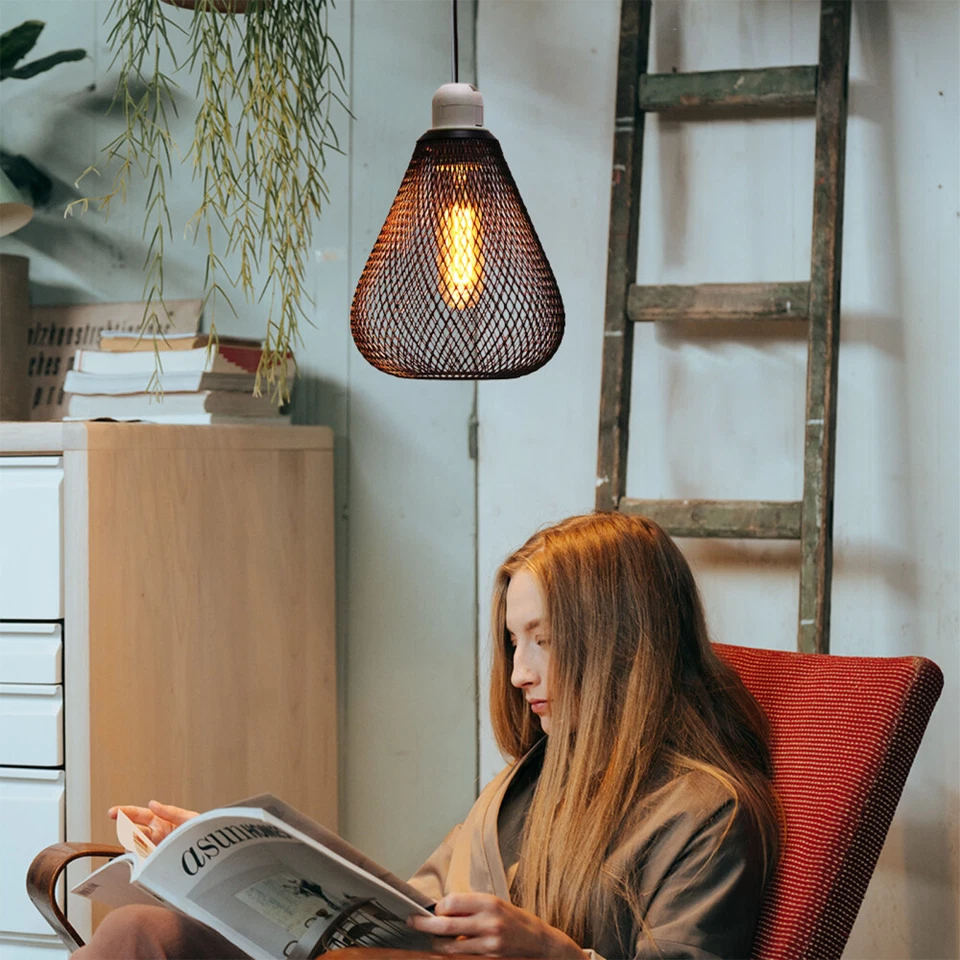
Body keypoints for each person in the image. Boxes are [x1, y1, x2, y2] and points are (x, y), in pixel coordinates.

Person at [74, 513, 780, 960]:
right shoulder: (531, 781)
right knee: (149, 934)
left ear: (628, 645)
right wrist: (234, 867)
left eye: (546, 640)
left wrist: (556, 955)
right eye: (513, 643)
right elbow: (410, 908)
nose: (520, 675)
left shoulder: (704, 815)